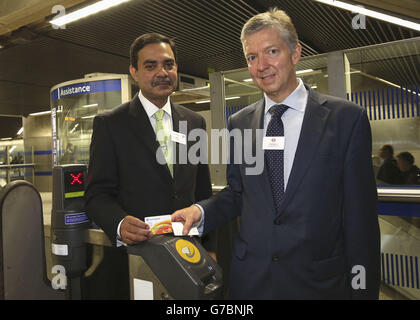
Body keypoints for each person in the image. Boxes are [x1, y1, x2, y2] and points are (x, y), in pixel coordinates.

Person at [172, 8, 380, 299]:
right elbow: (238, 193)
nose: (261, 66)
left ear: (295, 53)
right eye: (252, 57)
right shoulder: (240, 122)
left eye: (271, 51)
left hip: (319, 283)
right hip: (252, 282)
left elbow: (361, 220)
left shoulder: (346, 119)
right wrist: (200, 211)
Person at [85, 33, 216, 298]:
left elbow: (202, 190)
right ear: (134, 72)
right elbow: (97, 195)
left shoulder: (194, 123)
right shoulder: (111, 124)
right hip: (137, 257)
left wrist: (209, 246)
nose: (162, 72)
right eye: (150, 65)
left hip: (189, 253)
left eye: (169, 64)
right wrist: (120, 223)